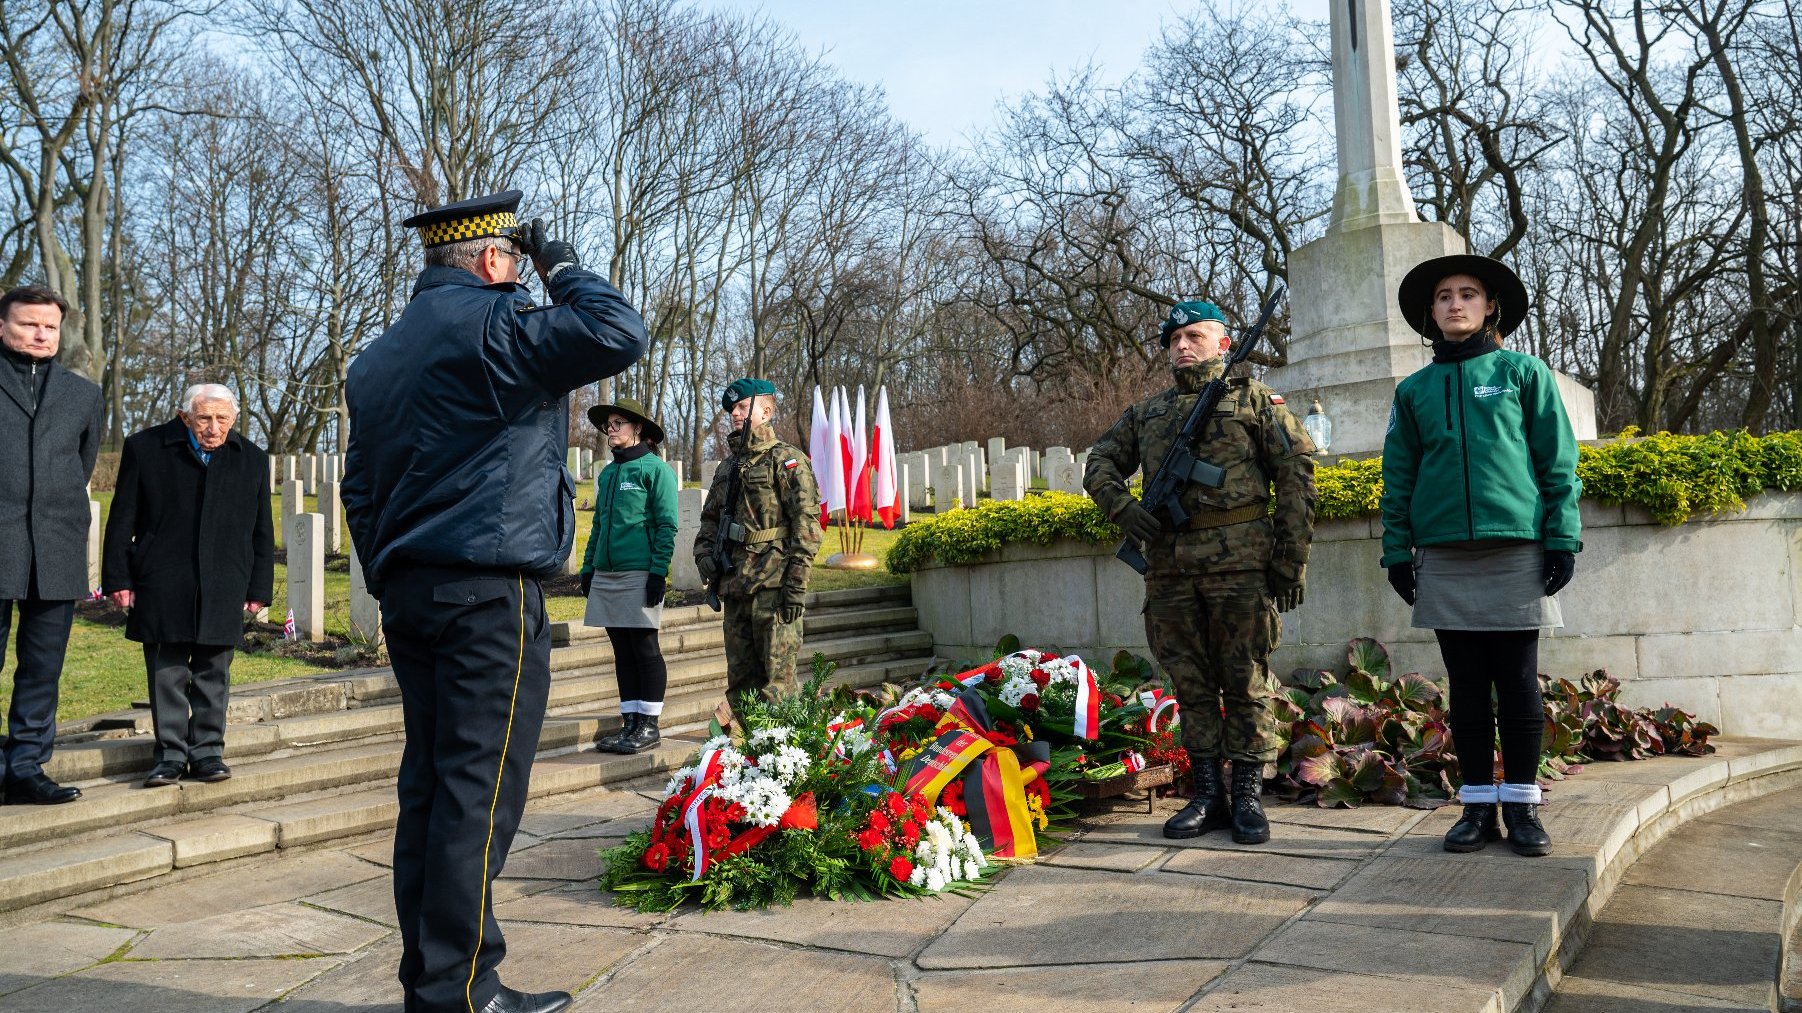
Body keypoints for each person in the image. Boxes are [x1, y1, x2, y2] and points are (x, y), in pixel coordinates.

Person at [341, 190, 646, 1013]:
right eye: (514, 264)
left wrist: (388, 572)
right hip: (486, 597)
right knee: (477, 796)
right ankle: (460, 993)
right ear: (490, 261)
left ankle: (435, 983)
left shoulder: (374, 359)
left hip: (411, 594)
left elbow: (358, 487)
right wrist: (566, 265)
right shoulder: (499, 327)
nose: (521, 280)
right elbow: (620, 331)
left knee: (431, 793)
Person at [1085, 299, 1317, 845]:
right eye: (1173, 339)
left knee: (1245, 682)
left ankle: (1247, 797)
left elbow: (1296, 475)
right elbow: (1100, 463)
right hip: (1170, 571)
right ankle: (1208, 793)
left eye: (1194, 335)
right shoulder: (1148, 413)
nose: (1182, 346)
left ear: (1223, 343)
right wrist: (1123, 506)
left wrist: (1290, 559)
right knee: (1190, 685)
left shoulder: (1255, 401)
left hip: (1241, 567)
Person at [1380, 254, 1580, 859]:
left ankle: (1521, 806)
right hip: (1443, 555)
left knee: (1518, 683)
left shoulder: (1524, 374)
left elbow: (1557, 462)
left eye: (1468, 293)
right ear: (1431, 312)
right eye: (1443, 296)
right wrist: (1396, 550)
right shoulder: (1412, 391)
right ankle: (1475, 808)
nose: (1455, 304)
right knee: (1465, 687)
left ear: (1491, 305)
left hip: (1515, 548)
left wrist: (1562, 538)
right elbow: (1399, 475)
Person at [102, 384, 273, 788]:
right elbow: (122, 518)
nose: (214, 428)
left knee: (215, 669)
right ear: (184, 418)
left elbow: (262, 530)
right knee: (168, 669)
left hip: (225, 579)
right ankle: (171, 755)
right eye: (204, 419)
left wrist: (259, 586)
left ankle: (209, 752)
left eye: (223, 419)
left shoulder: (252, 458)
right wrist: (118, 577)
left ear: (234, 418)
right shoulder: (146, 448)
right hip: (162, 577)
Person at [0, 285, 102, 806]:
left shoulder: (83, 394)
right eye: (29, 324)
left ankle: (24, 767)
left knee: (42, 666)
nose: (42, 334)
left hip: (56, 547)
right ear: (2, 326)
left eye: (51, 326)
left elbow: (79, 467)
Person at [693, 378, 821, 713]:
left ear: (765, 411)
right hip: (735, 587)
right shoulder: (728, 467)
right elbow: (709, 520)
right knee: (739, 687)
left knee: (779, 688)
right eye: (731, 409)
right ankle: (744, 761)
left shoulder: (787, 460)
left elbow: (806, 527)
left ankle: (782, 761)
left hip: (773, 586)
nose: (734, 414)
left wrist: (796, 585)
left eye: (741, 407)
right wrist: (704, 555)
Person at [580, 396, 677, 755]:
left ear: (638, 428)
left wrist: (657, 573)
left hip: (639, 572)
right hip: (607, 574)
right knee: (621, 650)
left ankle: (650, 725)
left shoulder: (655, 471)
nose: (611, 429)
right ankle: (630, 724)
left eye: (618, 423)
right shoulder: (607, 474)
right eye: (608, 424)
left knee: (644, 647)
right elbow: (600, 524)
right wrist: (589, 567)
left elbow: (667, 525)